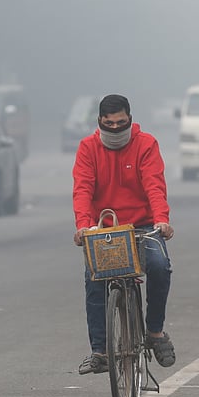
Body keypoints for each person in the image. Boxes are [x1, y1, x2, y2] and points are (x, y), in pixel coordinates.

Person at [72, 94, 176, 375]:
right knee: (94, 279)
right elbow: (82, 189)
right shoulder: (88, 148)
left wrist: (162, 220)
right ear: (99, 122)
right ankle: (100, 350)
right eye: (109, 124)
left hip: (142, 227)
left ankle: (155, 332)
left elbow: (155, 185)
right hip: (104, 230)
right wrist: (83, 224)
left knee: (159, 266)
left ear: (130, 119)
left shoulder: (145, 144)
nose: (115, 129)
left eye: (121, 123)